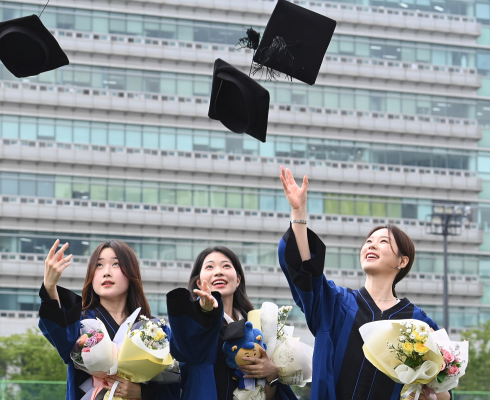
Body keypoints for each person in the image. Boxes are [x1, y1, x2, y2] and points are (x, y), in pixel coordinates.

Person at [277, 166, 450, 400]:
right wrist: (298, 212)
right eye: (368, 241)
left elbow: (444, 390)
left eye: (383, 241)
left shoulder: (418, 323)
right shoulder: (334, 304)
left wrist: (431, 391)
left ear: (403, 261)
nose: (371, 245)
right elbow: (306, 270)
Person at [38, 239, 180, 400]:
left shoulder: (154, 329)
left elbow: (173, 386)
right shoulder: (79, 323)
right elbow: (61, 337)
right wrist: (50, 287)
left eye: (115, 264)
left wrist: (143, 393)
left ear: (131, 272)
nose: (106, 272)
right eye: (99, 265)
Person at [166, 245, 298, 400]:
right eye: (209, 267)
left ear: (238, 280)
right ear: (198, 282)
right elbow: (184, 350)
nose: (218, 271)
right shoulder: (193, 327)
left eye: (226, 266)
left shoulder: (258, 327)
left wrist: (272, 375)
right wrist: (205, 312)